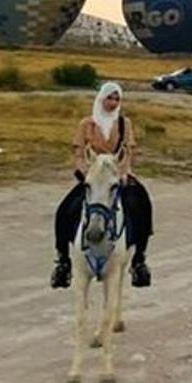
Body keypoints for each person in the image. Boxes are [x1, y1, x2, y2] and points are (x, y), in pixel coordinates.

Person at [50, 82, 153, 290]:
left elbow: (128, 153)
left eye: (117, 99)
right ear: (101, 99)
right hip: (93, 177)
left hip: (117, 177)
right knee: (65, 210)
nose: (113, 103)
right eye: (110, 98)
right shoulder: (86, 124)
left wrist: (123, 173)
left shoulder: (125, 124)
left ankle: (139, 260)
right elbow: (79, 153)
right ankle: (63, 261)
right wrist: (85, 173)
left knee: (142, 204)